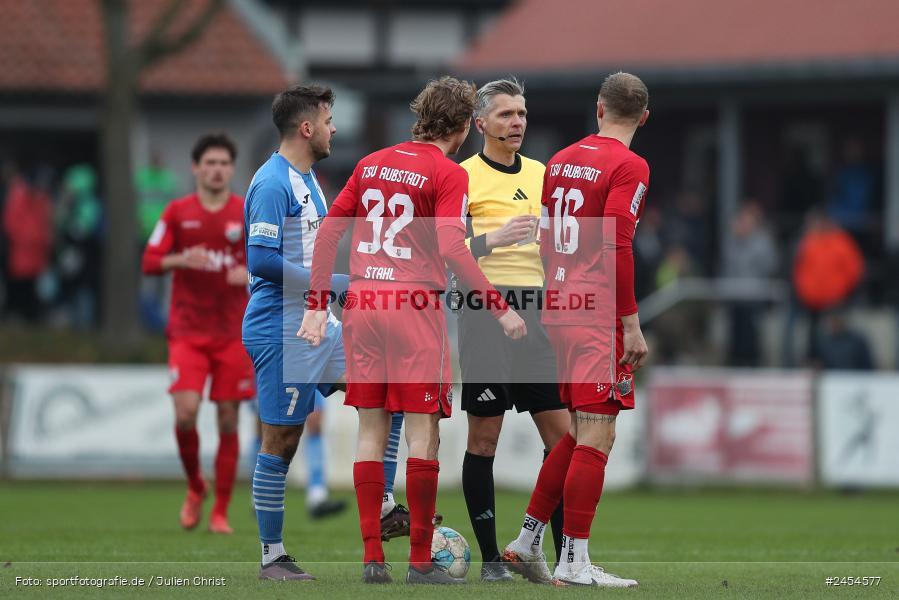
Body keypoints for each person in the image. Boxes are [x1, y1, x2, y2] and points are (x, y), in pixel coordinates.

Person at [299, 76, 526, 585]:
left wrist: (316, 303)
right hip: (413, 308)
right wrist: (500, 309)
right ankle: (421, 561)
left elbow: (329, 231)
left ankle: (372, 558)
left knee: (371, 430)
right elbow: (451, 247)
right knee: (423, 432)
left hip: (363, 304)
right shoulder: (449, 173)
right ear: (464, 126)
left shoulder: (370, 163)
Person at [242, 85, 406, 581]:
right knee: (281, 441)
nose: (335, 128)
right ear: (306, 127)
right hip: (281, 327)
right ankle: (272, 557)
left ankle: (383, 505)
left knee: (388, 393)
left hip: (318, 322)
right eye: (329, 120)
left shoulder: (308, 178)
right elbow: (261, 261)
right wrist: (333, 284)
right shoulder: (273, 183)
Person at [501, 72, 650, 587]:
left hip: (561, 304)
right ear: (644, 117)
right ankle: (574, 561)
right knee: (599, 432)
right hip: (597, 312)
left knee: (578, 432)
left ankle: (527, 540)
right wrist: (630, 323)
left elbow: (545, 238)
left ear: (599, 108)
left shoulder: (561, 160)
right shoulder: (629, 166)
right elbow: (617, 244)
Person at [457, 77, 568, 581]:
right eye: (506, 114)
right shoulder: (462, 178)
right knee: (485, 439)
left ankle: (562, 558)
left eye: (521, 113)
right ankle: (490, 562)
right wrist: (492, 239)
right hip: (485, 313)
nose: (517, 121)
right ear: (480, 123)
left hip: (538, 312)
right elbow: (443, 253)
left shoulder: (543, 174)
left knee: (563, 441)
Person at [141, 133, 254, 535]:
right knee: (186, 413)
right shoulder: (177, 212)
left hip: (232, 334)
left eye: (224, 163)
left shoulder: (245, 213)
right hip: (188, 333)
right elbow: (149, 261)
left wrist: (250, 275)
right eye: (210, 163)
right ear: (195, 168)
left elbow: (271, 262)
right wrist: (181, 258)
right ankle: (195, 485)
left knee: (228, 420)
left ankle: (220, 511)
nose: (217, 170)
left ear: (232, 169)